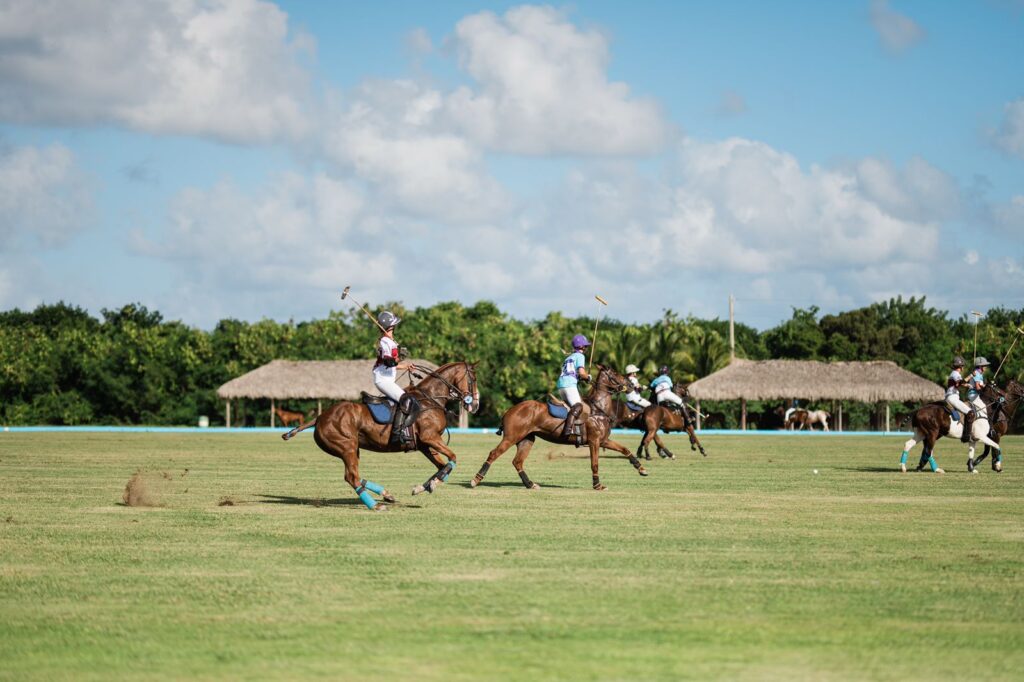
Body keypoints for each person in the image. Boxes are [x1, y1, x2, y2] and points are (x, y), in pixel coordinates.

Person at [372, 311, 416, 448]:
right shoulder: (385, 342)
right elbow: (388, 362)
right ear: (391, 326)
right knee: (406, 400)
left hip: (386, 379)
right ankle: (397, 434)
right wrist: (400, 358)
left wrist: (405, 365)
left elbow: (391, 365)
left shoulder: (390, 341)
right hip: (382, 380)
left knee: (404, 400)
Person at [556, 335, 591, 441]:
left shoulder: (569, 357)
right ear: (581, 346)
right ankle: (568, 431)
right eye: (585, 346)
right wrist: (588, 377)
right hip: (569, 385)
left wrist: (580, 378)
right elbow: (582, 373)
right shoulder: (580, 356)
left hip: (561, 385)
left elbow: (572, 373)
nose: (586, 348)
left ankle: (575, 430)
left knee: (570, 408)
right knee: (578, 406)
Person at [944, 356, 973, 443]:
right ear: (960, 366)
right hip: (952, 397)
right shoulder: (955, 374)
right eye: (963, 366)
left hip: (951, 397)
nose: (963, 367)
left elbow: (959, 384)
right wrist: (971, 375)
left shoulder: (954, 374)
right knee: (970, 412)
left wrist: (968, 385)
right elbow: (961, 382)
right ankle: (967, 435)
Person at [963, 356, 990, 444]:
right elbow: (978, 387)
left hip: (976, 395)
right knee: (984, 407)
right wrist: (985, 389)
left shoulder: (980, 374)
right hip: (973, 395)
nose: (986, 367)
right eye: (985, 365)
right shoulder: (977, 373)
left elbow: (981, 385)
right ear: (980, 366)